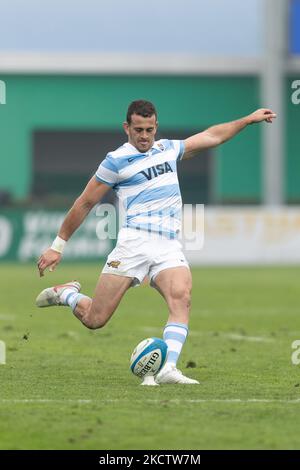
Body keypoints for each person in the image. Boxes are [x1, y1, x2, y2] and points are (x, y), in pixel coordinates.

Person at [36, 100, 276, 385]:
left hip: (168, 244)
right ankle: (67, 294)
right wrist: (58, 245)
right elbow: (85, 202)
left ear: (156, 127)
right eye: (138, 129)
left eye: (149, 129)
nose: (144, 136)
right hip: (133, 243)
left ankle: (168, 369)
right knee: (95, 319)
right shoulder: (115, 161)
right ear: (127, 128)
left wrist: (247, 119)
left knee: (181, 297)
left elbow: (212, 136)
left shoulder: (168, 149)